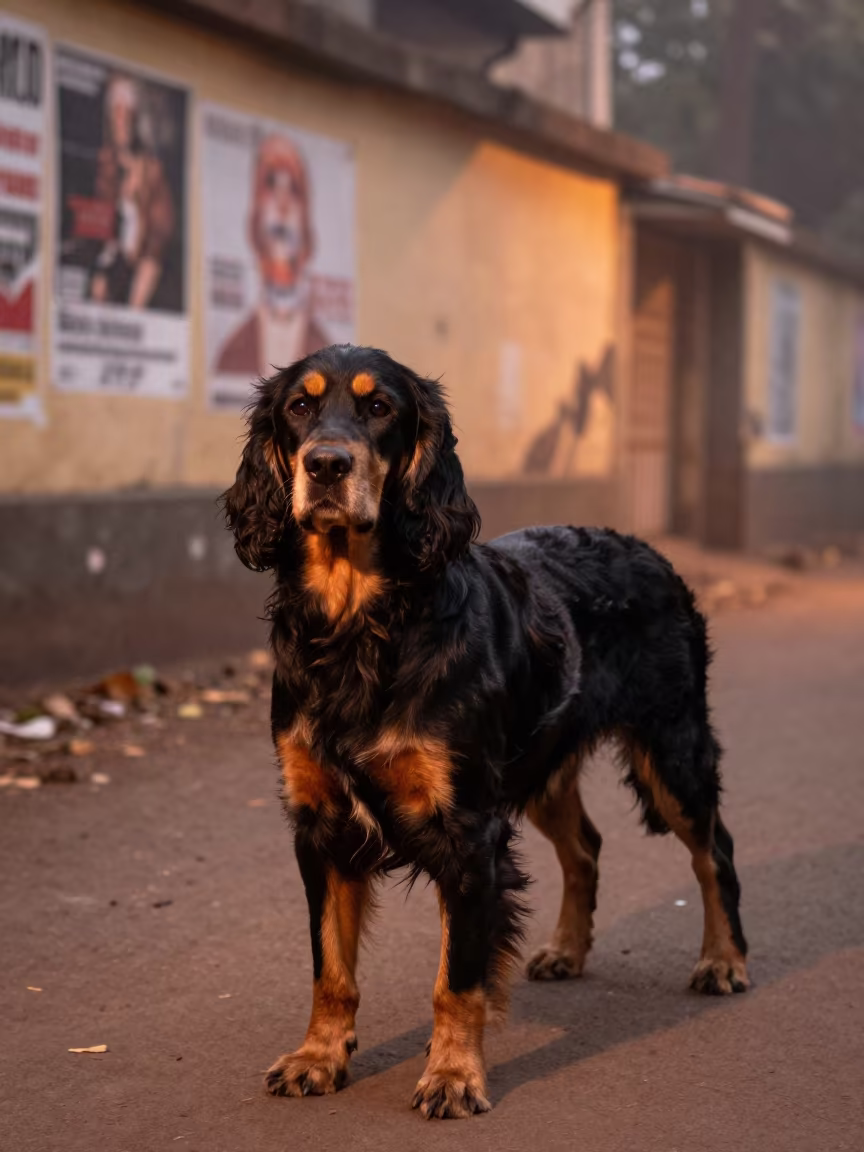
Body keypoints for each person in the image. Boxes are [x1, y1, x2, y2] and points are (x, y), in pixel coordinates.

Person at [215, 134, 327, 377]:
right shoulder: (232, 353)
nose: (282, 205)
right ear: (256, 217)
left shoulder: (329, 354)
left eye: (293, 191)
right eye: (271, 188)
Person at [89, 73, 174, 310]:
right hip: (110, 257)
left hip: (141, 266)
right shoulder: (104, 164)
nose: (121, 121)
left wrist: (134, 310)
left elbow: (159, 237)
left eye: (126, 113)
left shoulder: (153, 172)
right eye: (115, 113)